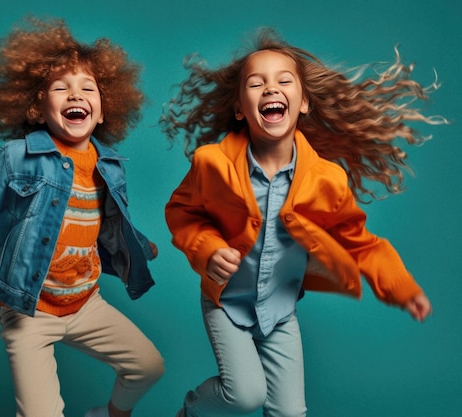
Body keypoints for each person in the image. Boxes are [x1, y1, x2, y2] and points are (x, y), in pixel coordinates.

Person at [163, 28, 444, 417]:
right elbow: (182, 213)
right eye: (256, 83)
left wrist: (399, 285)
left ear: (304, 103)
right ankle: (190, 412)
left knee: (290, 413)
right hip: (226, 303)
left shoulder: (327, 179)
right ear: (241, 108)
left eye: (284, 80)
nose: (270, 89)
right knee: (245, 395)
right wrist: (207, 249)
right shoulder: (212, 162)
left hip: (279, 311)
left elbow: (359, 243)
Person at [0, 17, 164, 417]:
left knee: (149, 366)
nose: (75, 95)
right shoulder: (15, 158)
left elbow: (102, 222)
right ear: (35, 105)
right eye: (60, 88)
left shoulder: (110, 165)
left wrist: (139, 244)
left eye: (87, 88)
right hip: (29, 310)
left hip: (85, 303)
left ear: (103, 109)